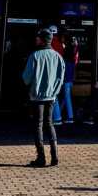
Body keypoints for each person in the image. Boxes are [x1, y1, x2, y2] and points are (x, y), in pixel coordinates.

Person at [22, 27, 65, 167]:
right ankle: (55, 156)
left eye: (38, 37)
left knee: (38, 125)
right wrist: (54, 91)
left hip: (36, 97)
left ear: (42, 39)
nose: (36, 39)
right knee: (49, 123)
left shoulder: (34, 56)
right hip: (51, 96)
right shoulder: (58, 56)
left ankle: (41, 158)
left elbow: (26, 78)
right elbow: (61, 78)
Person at [57, 35, 80, 125]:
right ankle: (58, 113)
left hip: (66, 80)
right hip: (70, 80)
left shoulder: (65, 60)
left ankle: (70, 117)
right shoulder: (73, 59)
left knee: (67, 98)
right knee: (65, 98)